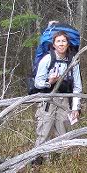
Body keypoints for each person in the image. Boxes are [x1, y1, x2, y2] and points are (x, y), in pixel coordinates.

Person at [33, 30, 82, 158]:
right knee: (44, 129)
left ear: (68, 44)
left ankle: (60, 160)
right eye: (58, 41)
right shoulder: (47, 59)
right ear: (53, 45)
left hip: (65, 100)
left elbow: (77, 86)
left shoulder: (73, 62)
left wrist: (76, 107)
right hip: (47, 100)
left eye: (63, 41)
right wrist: (50, 82)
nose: (61, 44)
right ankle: (39, 159)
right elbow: (37, 83)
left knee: (63, 130)